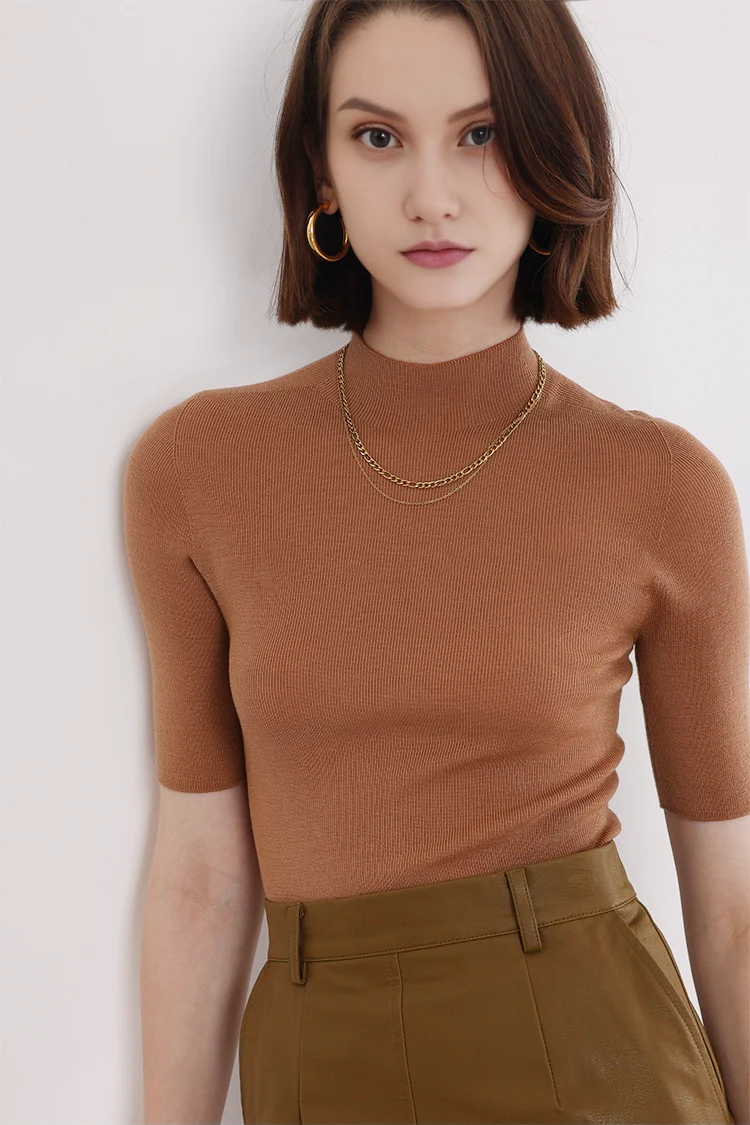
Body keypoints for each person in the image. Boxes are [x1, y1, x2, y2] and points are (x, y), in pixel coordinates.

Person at [123, 2, 750, 1123]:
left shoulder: (661, 484)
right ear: (320, 175)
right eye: (378, 137)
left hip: (595, 1061)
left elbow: (736, 907)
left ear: (555, 148)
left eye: (481, 133)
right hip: (319, 1058)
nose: (431, 196)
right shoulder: (198, 467)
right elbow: (201, 880)